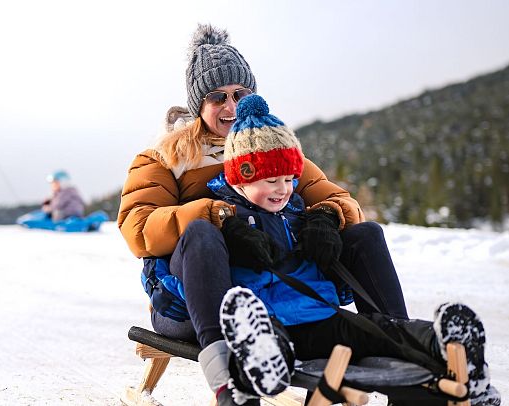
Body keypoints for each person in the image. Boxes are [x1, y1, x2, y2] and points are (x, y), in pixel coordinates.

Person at [117, 24, 403, 405]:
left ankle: (402, 361)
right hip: (191, 300)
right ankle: (230, 383)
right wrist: (216, 214)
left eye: (240, 94)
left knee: (364, 235)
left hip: (276, 291)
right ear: (198, 103)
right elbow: (137, 227)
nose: (231, 106)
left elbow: (340, 200)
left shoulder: (269, 148)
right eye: (218, 96)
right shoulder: (165, 158)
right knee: (202, 234)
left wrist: (327, 216)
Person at [209, 93, 499, 405]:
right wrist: (229, 236)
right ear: (240, 179)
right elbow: (199, 274)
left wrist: (325, 225)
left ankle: (448, 347)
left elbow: (337, 226)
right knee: (267, 341)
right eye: (270, 180)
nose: (282, 189)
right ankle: (260, 360)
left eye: (288, 178)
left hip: (323, 317)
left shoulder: (298, 212)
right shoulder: (225, 218)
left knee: (384, 331)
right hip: (271, 323)